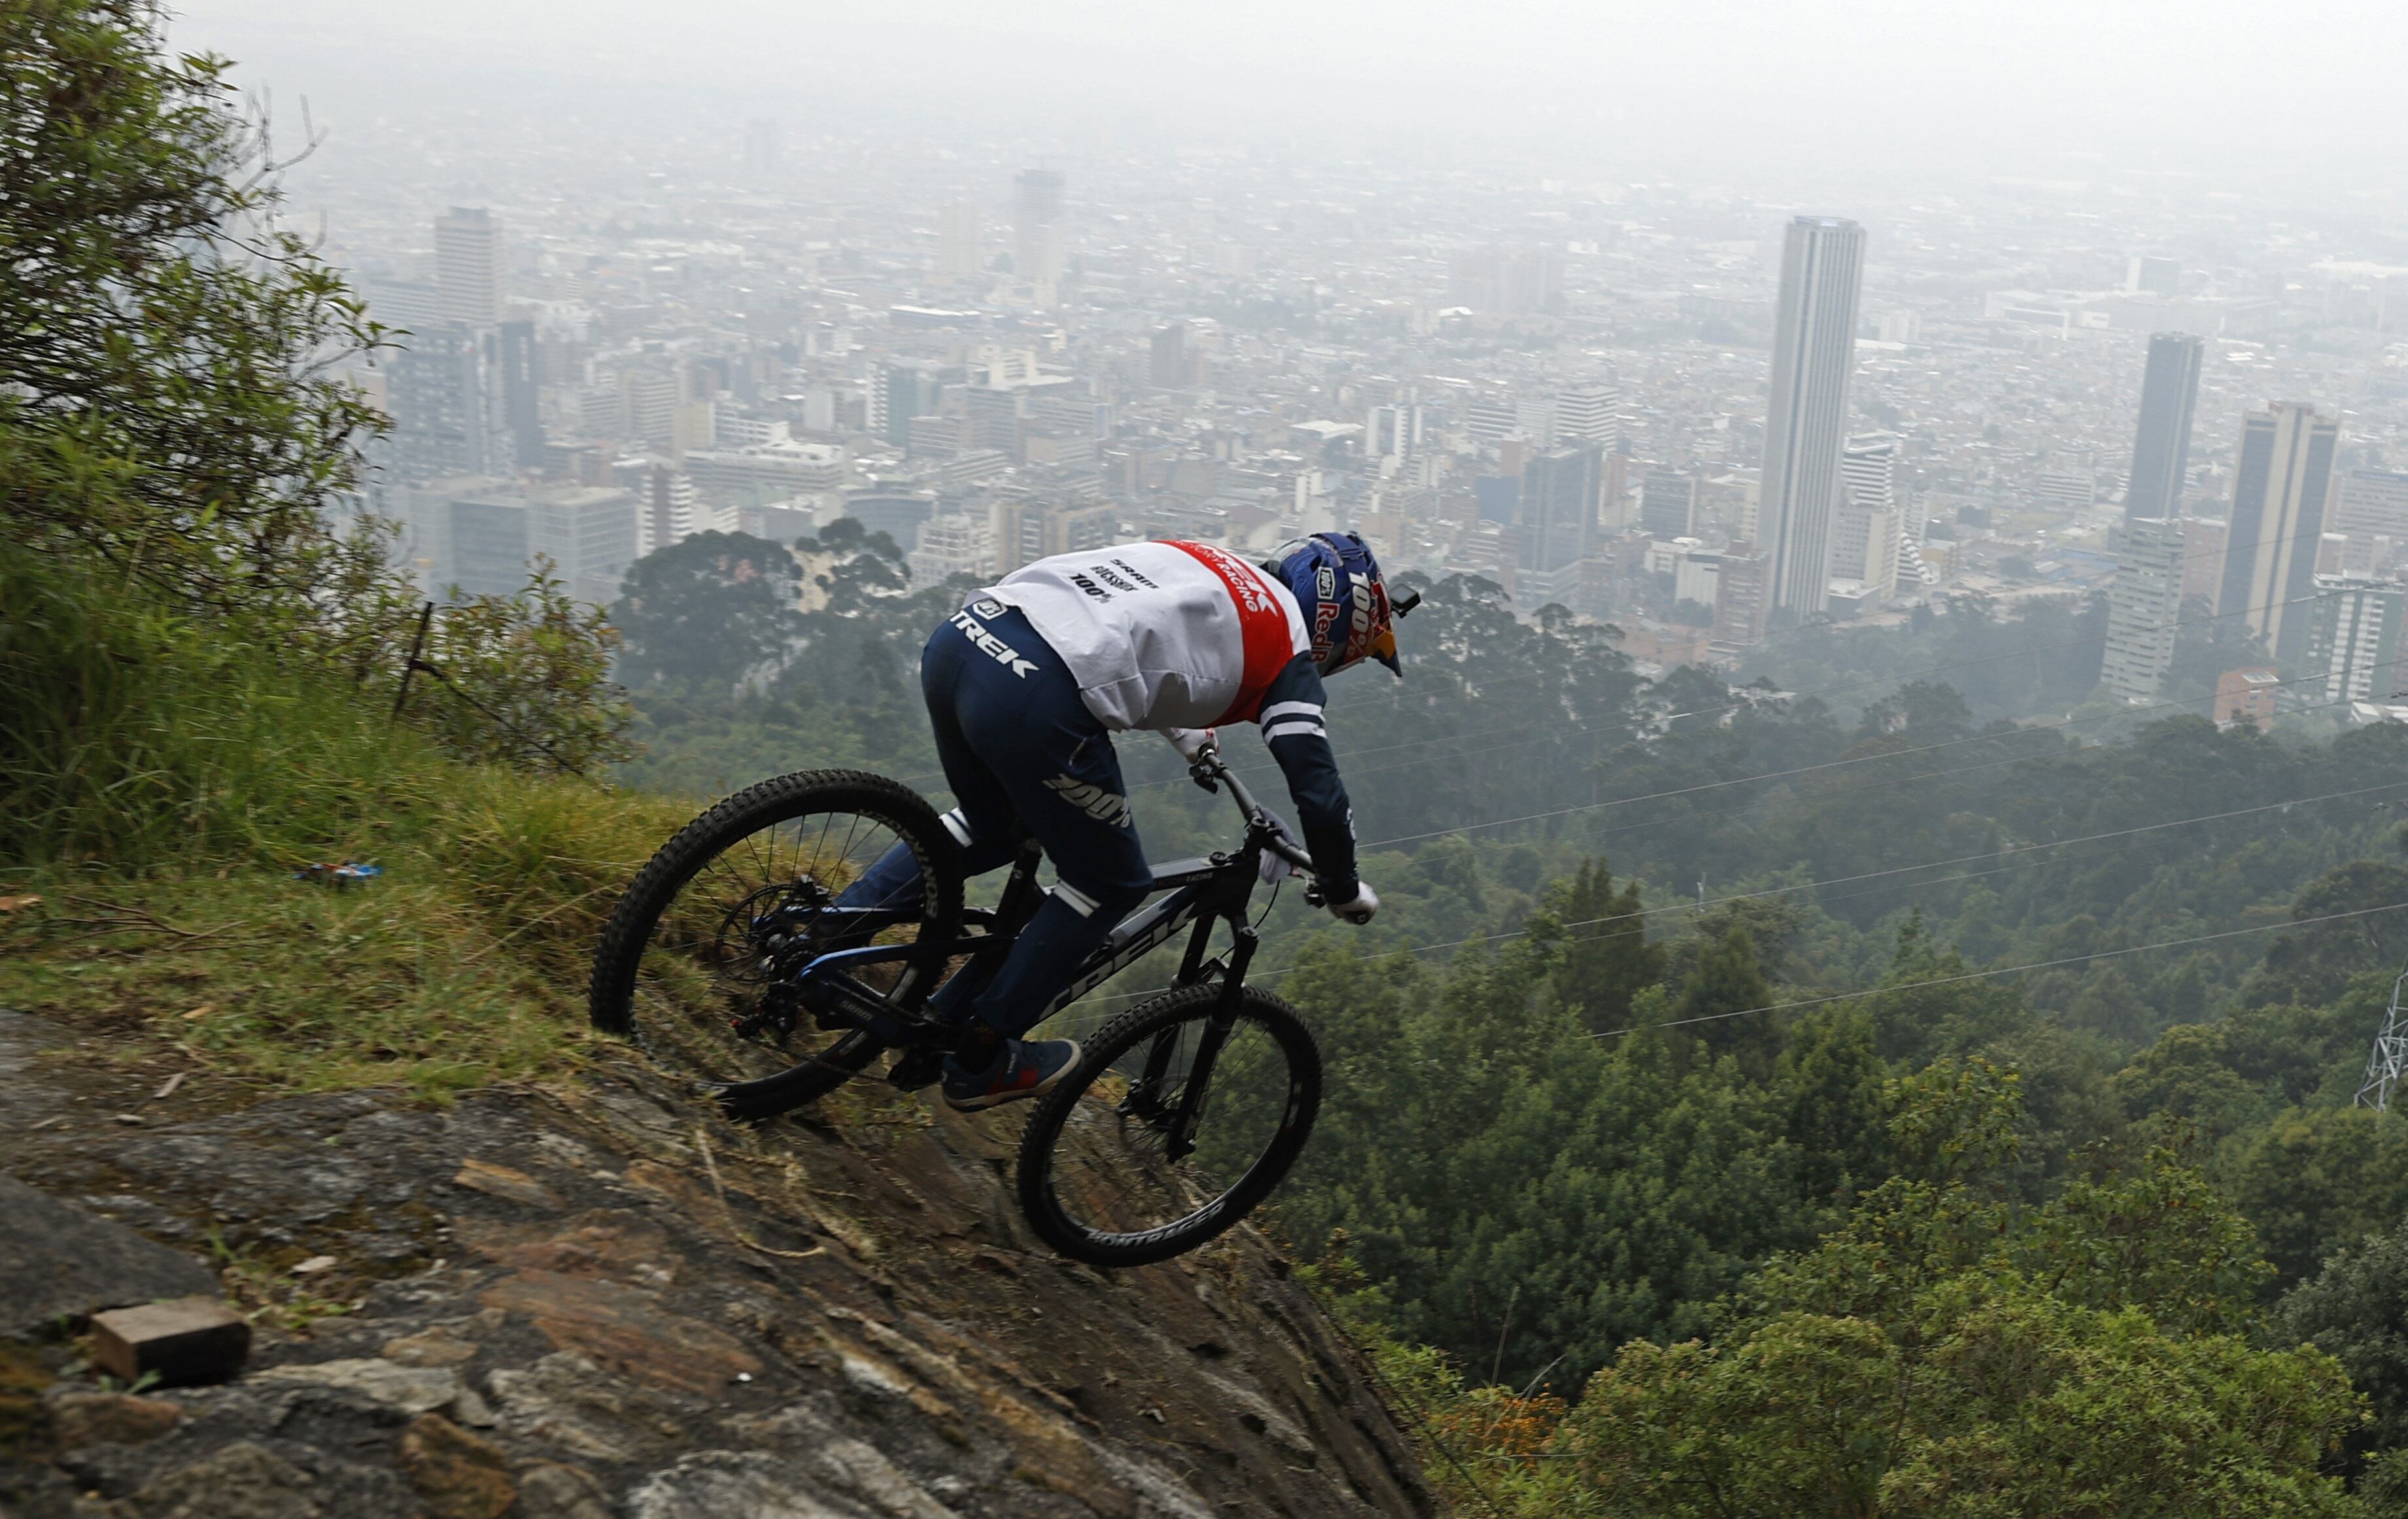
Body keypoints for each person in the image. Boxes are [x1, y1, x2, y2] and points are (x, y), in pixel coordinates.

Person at [842, 532, 1398, 1111]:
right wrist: (1342, 884)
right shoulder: (1289, 649)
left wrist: (1191, 738)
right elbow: (1318, 789)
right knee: (1110, 883)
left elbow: (1135, 631)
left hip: (965, 639)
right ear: (1335, 626)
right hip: (1036, 692)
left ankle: (831, 930)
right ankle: (980, 1056)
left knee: (994, 826)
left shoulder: (1210, 561)